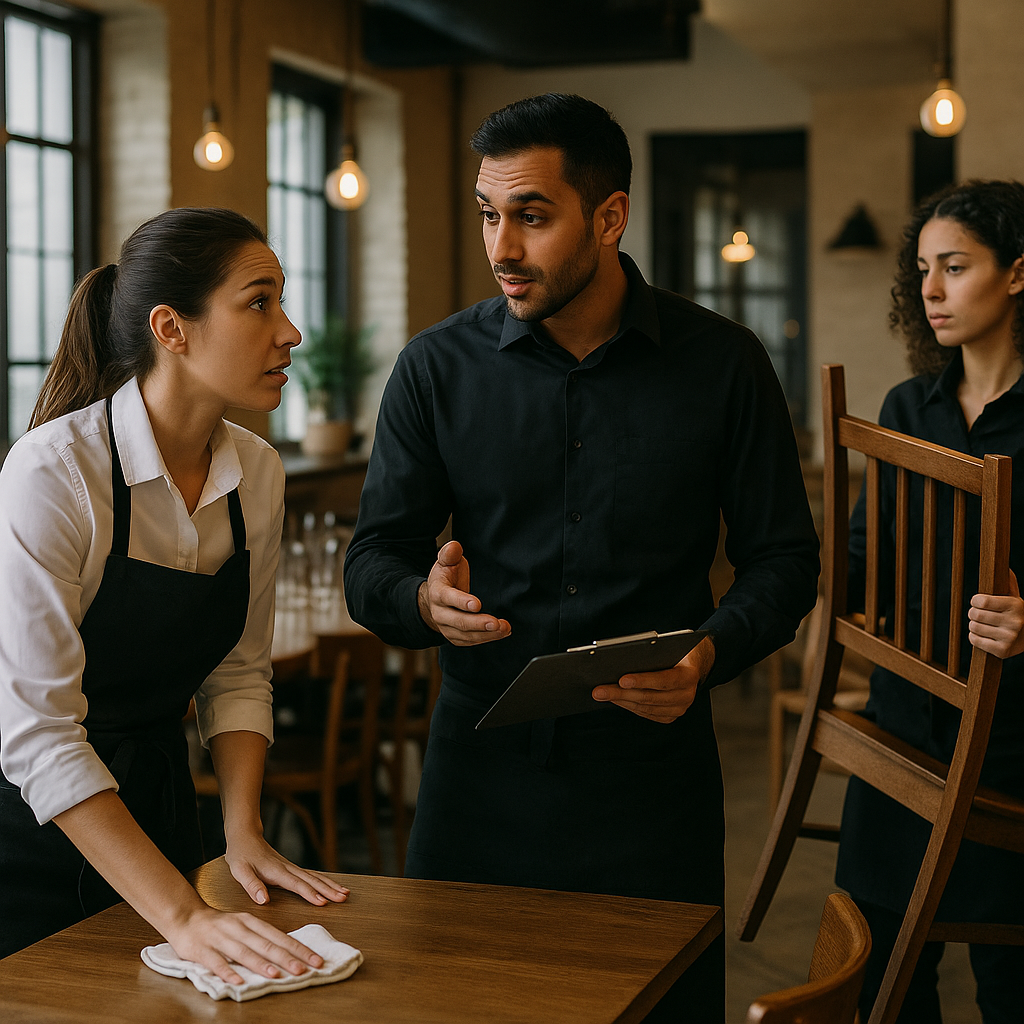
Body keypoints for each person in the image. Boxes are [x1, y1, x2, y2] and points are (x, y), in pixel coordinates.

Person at [344, 94, 819, 1021]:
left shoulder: (724, 364)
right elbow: (373, 560)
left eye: (531, 215)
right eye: (489, 214)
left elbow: (785, 560)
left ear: (610, 217)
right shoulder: (435, 369)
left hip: (652, 778)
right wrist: (418, 601)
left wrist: (710, 653)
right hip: (477, 774)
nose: (500, 248)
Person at [0, 207, 349, 979]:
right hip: (25, 832)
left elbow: (238, 672)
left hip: (162, 814)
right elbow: (40, 736)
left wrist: (243, 833)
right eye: (260, 302)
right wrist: (183, 915)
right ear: (173, 328)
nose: (290, 331)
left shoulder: (258, 474)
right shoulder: (54, 474)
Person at [836, 179, 1024, 1024]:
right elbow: (865, 554)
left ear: (1017, 274)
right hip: (902, 730)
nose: (933, 290)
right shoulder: (905, 409)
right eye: (923, 270)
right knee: (880, 977)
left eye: (956, 266)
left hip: (1012, 749)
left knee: (1011, 982)